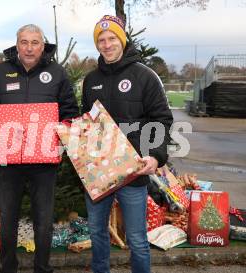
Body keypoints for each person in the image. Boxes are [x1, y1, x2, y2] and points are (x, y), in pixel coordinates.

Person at [0, 24, 79, 273]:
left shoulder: (57, 73)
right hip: (9, 162)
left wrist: (62, 129)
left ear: (42, 45)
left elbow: (70, 111)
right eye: (24, 42)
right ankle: (8, 268)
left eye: (34, 42)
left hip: (43, 163)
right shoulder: (1, 72)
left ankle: (42, 268)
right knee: (7, 219)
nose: (29, 47)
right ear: (17, 45)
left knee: (44, 221)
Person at [81, 15, 174, 273]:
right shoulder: (91, 80)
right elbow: (86, 122)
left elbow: (162, 120)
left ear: (122, 40)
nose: (107, 44)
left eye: (112, 38)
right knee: (97, 234)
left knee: (136, 239)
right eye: (101, 40)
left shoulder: (145, 76)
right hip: (98, 172)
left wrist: (155, 156)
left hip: (134, 172)